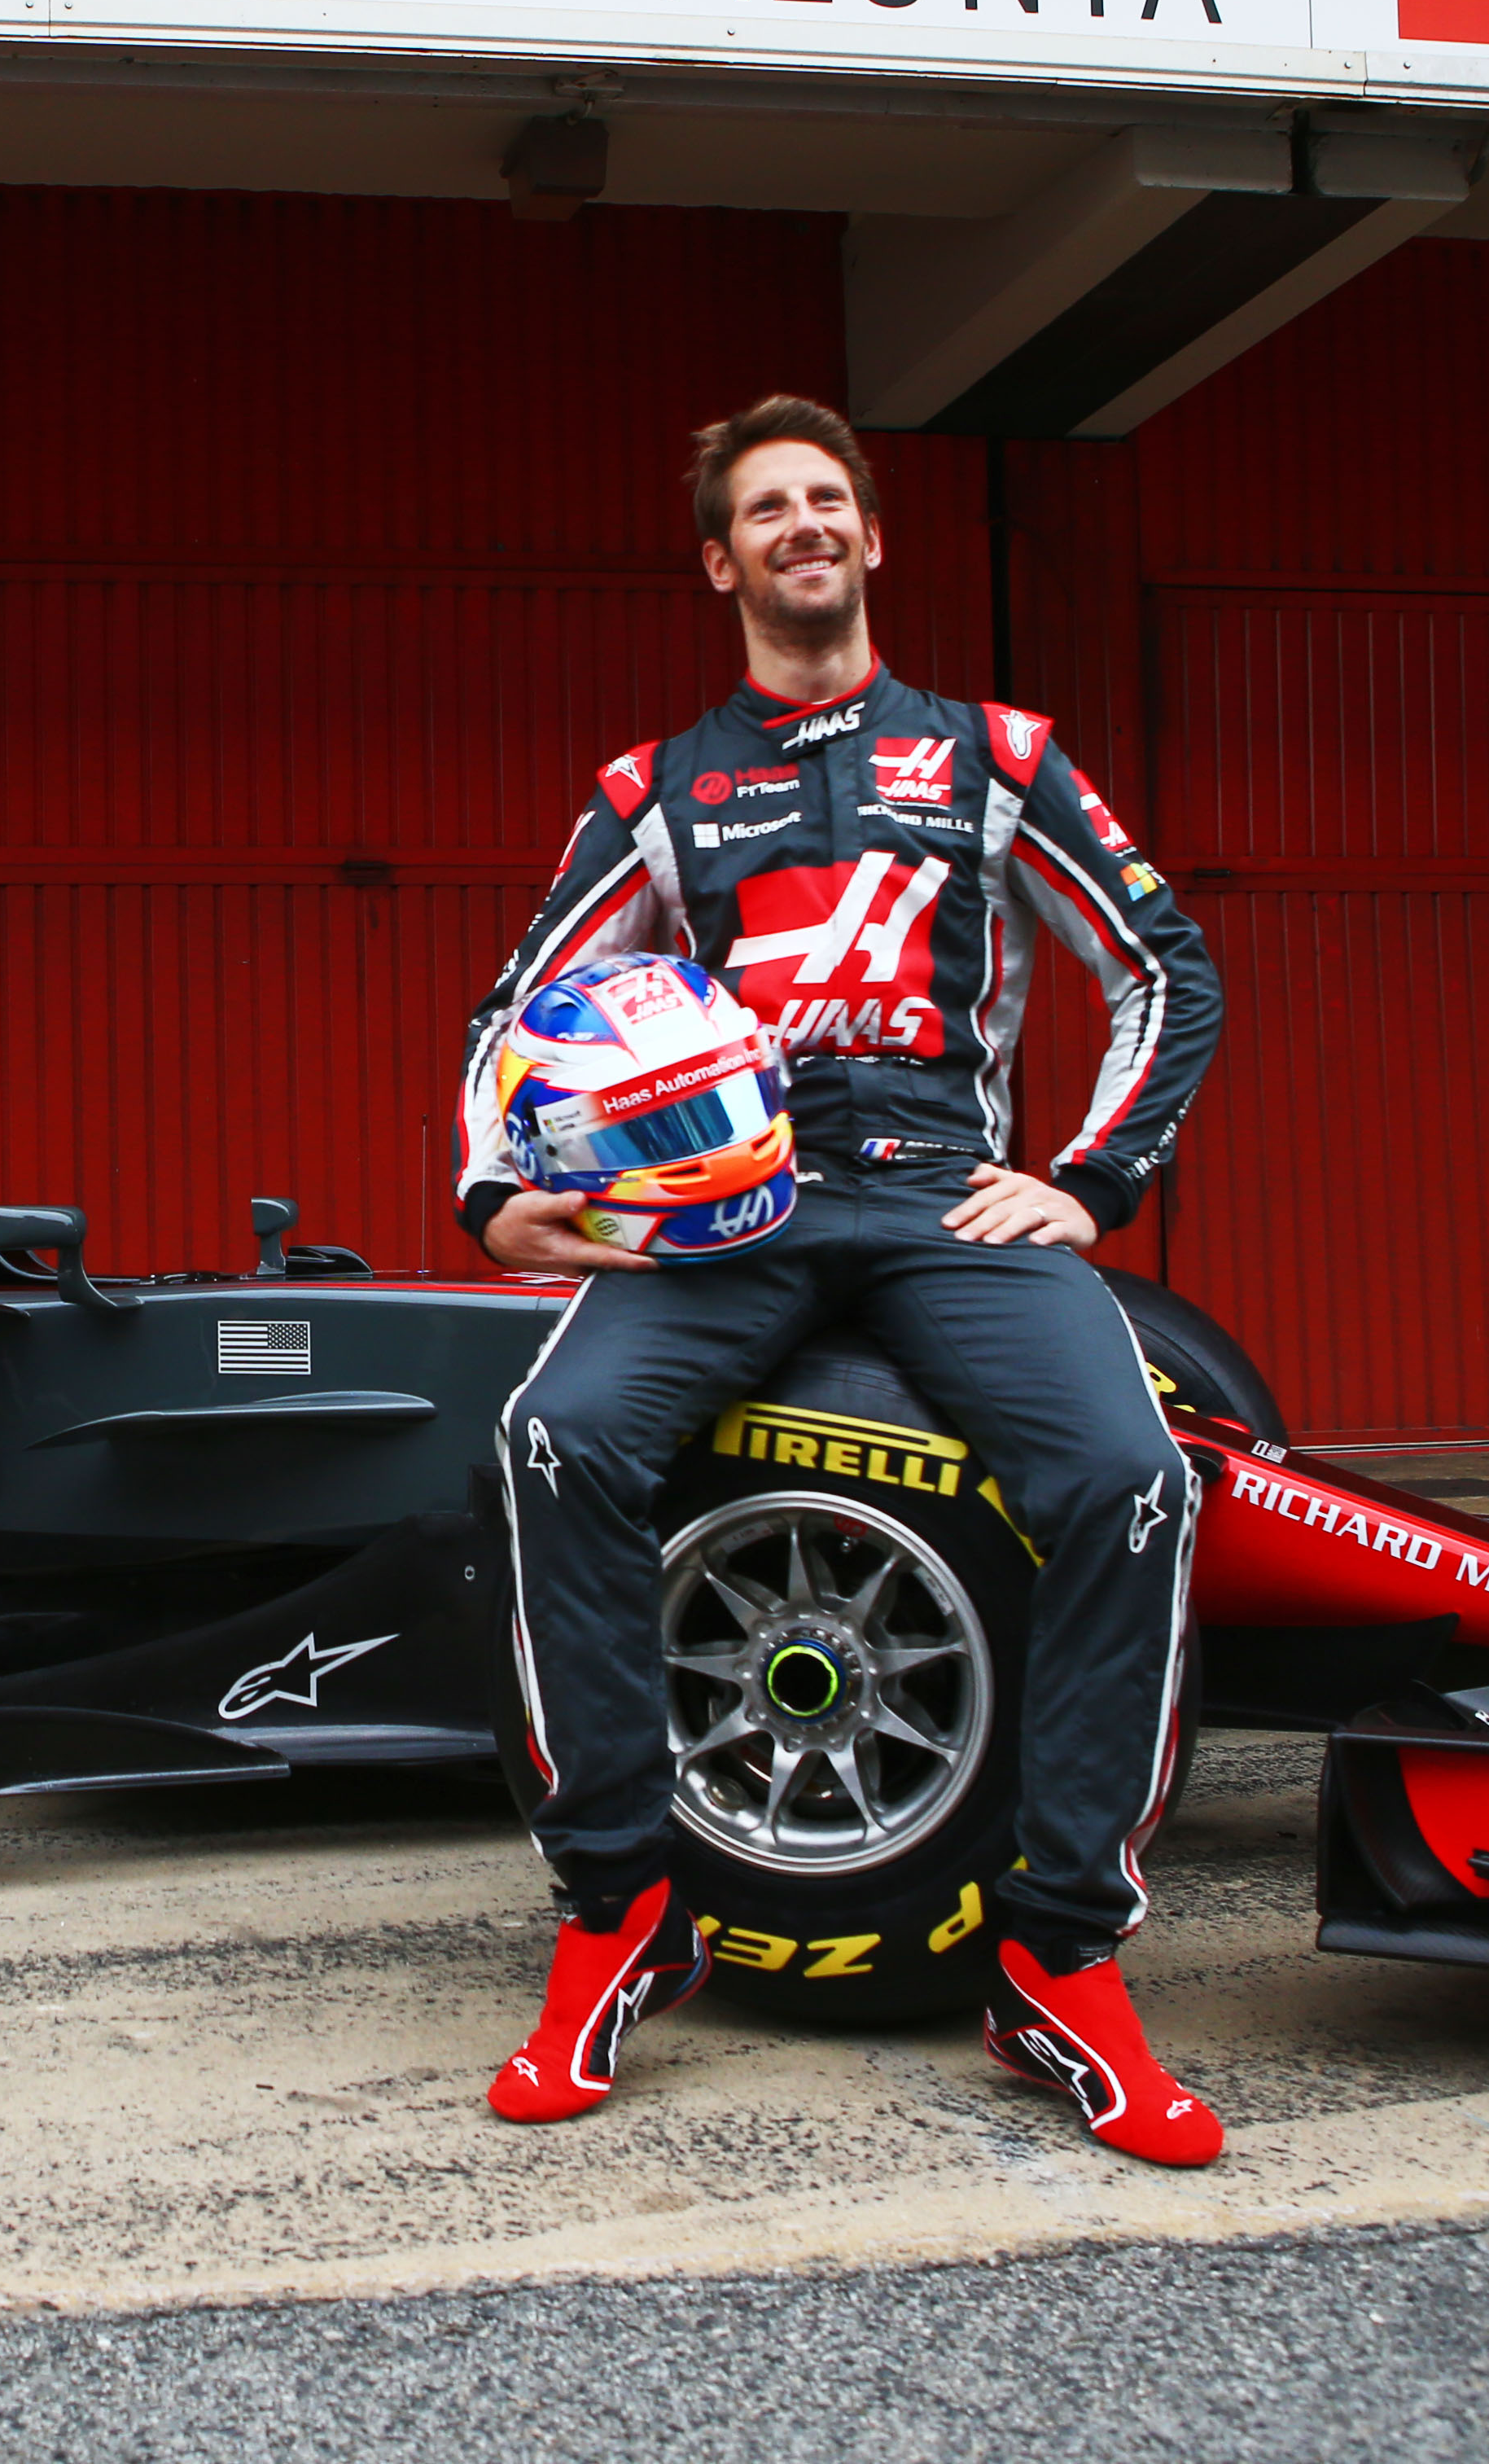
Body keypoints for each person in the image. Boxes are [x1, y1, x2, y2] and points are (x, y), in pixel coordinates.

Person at [455, 397, 1228, 2162]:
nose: (804, 526)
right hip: (732, 1220)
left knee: (1128, 1481)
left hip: (950, 1205)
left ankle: (1056, 1962)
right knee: (552, 1441)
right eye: (766, 510)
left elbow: (1165, 964)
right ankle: (621, 1913)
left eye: (829, 501)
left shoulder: (998, 755)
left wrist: (1092, 1182)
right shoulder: (653, 794)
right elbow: (520, 1014)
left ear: (872, 540)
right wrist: (504, 1195)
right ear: (722, 562)